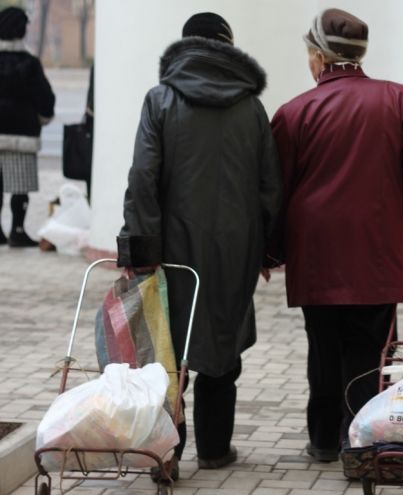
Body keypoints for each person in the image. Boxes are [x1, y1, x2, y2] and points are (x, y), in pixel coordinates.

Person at [270, 8, 403, 462]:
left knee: (323, 348)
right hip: (377, 249)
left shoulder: (293, 112)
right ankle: (362, 441)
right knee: (371, 351)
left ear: (318, 56)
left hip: (315, 252)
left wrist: (269, 251)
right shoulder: (399, 99)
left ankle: (323, 440)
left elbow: (273, 188)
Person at [116, 13, 282, 478]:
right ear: (229, 47)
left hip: (170, 250)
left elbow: (143, 177)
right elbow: (270, 186)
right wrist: (267, 249)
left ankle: (165, 453)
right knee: (222, 339)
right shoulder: (251, 107)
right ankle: (214, 447)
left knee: (165, 349)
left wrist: (140, 251)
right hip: (235, 249)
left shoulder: (161, 99)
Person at [0, 6, 55, 247]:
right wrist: (43, 117)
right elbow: (45, 99)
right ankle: (18, 230)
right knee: (20, 185)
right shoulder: (30, 64)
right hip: (22, 133)